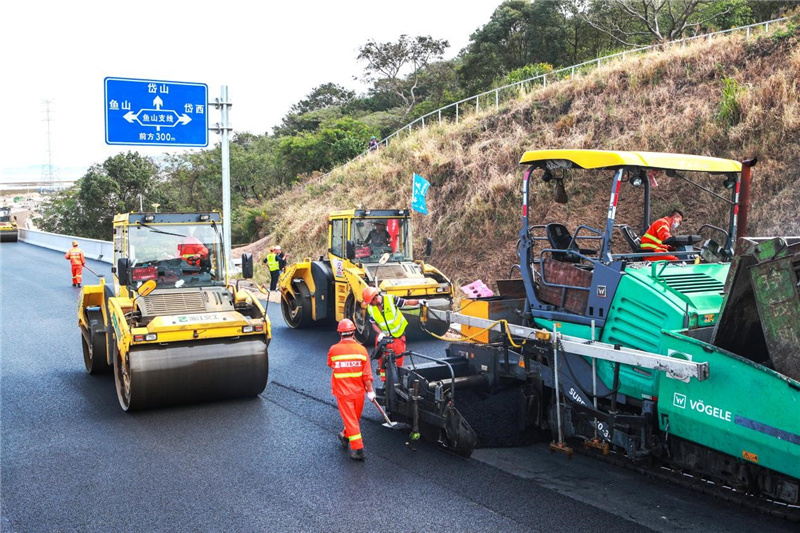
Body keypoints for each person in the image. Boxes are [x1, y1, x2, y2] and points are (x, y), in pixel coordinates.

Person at [328, 319, 375, 461]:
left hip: (343, 393)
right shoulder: (362, 350)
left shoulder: (334, 350)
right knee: (354, 419)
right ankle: (345, 435)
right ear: (353, 332)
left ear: (340, 334)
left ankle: (359, 450)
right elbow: (367, 375)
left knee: (351, 421)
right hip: (359, 392)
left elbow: (331, 364)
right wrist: (370, 391)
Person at [361, 287, 422, 381]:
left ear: (375, 298)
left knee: (398, 361)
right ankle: (385, 382)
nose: (369, 304)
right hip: (384, 337)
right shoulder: (371, 308)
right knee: (382, 361)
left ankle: (398, 381)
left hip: (397, 336)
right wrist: (380, 333)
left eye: (370, 302)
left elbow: (407, 302)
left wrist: (419, 301)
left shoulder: (391, 299)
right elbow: (373, 324)